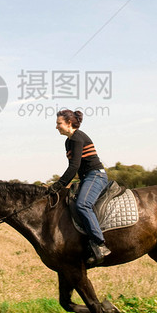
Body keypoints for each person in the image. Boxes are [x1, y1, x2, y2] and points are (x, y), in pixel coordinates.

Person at [51, 109, 111, 266]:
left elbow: (74, 167)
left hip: (96, 175)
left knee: (83, 204)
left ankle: (99, 244)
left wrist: (58, 184)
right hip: (85, 178)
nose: (56, 127)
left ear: (69, 123)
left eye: (59, 124)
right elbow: (74, 168)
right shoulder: (68, 142)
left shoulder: (77, 138)